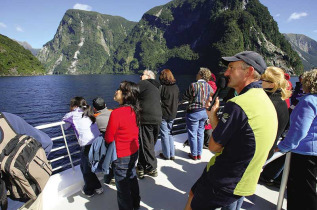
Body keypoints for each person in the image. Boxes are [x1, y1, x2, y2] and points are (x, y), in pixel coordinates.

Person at [185, 51, 278, 209]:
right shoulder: (264, 99)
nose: (226, 73)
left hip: (226, 178)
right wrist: (213, 115)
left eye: (231, 68)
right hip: (245, 176)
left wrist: (214, 116)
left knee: (193, 204)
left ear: (248, 71)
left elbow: (214, 147)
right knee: (193, 193)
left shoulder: (239, 104)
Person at [277, 69, 317, 210]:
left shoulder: (308, 101)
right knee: (311, 189)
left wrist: (282, 146)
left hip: (305, 152)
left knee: (301, 191)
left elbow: (299, 130)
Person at [104, 81, 141, 210]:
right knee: (131, 177)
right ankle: (136, 204)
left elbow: (108, 138)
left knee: (122, 188)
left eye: (119, 89)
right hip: (134, 150)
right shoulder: (135, 110)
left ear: (126, 94)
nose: (116, 91)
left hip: (121, 155)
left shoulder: (116, 113)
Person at [62, 97, 103, 197]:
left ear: (74, 106)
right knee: (85, 166)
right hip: (98, 141)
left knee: (85, 169)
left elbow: (65, 126)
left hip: (87, 144)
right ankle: (97, 186)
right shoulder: (88, 111)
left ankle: (89, 190)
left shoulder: (72, 114)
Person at [259, 67, 292, 185]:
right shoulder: (282, 101)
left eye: (263, 79)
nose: (259, 81)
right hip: (268, 150)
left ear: (272, 84)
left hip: (258, 152)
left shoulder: (267, 102)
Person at [182, 68, 214, 160]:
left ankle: (194, 154)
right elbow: (211, 98)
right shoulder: (209, 87)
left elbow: (185, 96)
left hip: (194, 112)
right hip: (204, 112)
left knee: (192, 133)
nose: (196, 74)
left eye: (198, 73)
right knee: (200, 133)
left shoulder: (193, 85)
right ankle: (199, 154)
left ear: (200, 75)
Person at [137, 70, 162, 178]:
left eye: (142, 74)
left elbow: (130, 93)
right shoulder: (157, 86)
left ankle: (152, 167)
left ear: (148, 76)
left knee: (146, 144)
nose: (140, 76)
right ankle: (141, 167)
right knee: (149, 144)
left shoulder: (143, 83)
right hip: (157, 117)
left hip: (146, 118)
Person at [158, 69, 179, 160]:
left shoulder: (162, 87)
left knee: (164, 134)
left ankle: (166, 155)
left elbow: (158, 101)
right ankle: (172, 154)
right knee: (170, 133)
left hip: (163, 114)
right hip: (173, 113)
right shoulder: (176, 87)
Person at [203, 72, 217, 149]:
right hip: (212, 107)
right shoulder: (214, 86)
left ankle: (205, 143)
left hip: (207, 106)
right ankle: (208, 142)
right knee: (209, 123)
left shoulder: (207, 86)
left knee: (205, 124)